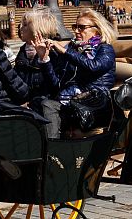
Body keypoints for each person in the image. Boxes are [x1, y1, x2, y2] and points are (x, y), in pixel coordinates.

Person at [38, 7, 118, 139]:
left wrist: (65, 52)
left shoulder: (105, 49)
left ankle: (52, 148)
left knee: (50, 105)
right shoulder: (73, 49)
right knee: (43, 103)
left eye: (81, 27)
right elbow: (57, 84)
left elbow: (93, 66)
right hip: (74, 97)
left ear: (96, 29)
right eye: (75, 26)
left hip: (95, 100)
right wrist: (44, 59)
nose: (76, 31)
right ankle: (49, 146)